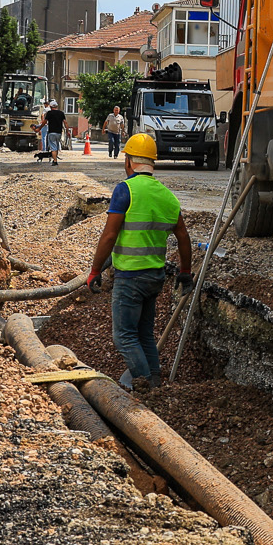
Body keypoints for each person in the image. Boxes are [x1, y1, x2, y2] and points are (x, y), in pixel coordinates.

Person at [85, 133, 190, 392]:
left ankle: (145, 387)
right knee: (144, 335)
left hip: (130, 278)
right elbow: (184, 238)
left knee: (124, 336)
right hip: (154, 277)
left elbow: (109, 235)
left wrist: (95, 270)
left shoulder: (125, 189)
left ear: (129, 161)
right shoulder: (167, 196)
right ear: (152, 163)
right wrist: (186, 272)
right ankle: (155, 384)